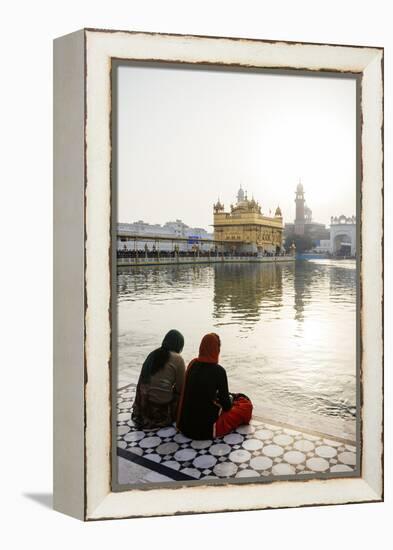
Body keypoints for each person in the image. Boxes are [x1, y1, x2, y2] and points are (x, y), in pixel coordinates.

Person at [176, 333, 253, 439]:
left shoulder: (192, 364)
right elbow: (226, 406)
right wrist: (230, 400)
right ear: (217, 349)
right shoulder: (219, 371)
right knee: (245, 406)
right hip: (205, 429)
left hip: (186, 427)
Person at [131, 329, 186, 429]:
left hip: (142, 410)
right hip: (160, 413)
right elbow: (181, 388)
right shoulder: (178, 359)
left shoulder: (153, 354)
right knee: (184, 395)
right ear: (179, 345)